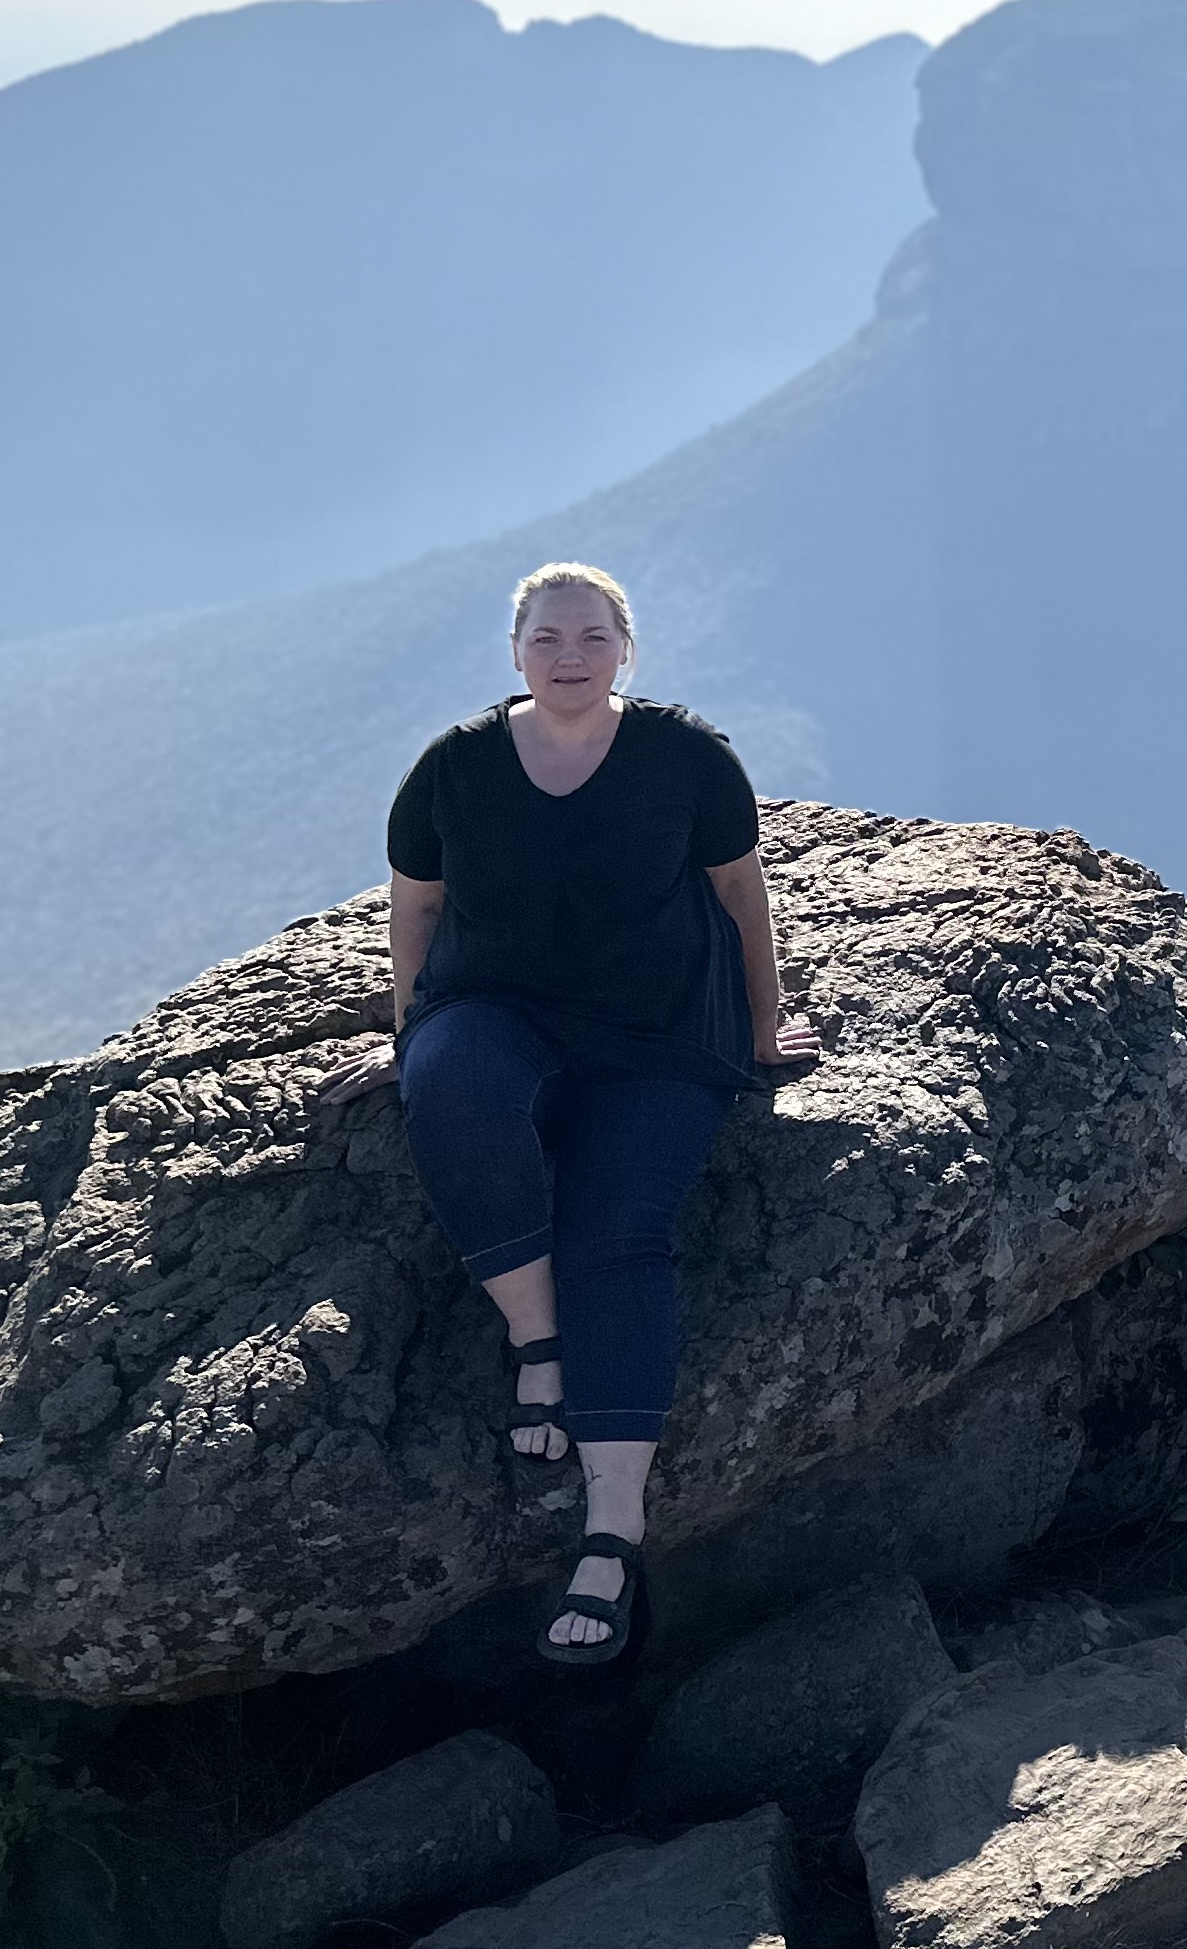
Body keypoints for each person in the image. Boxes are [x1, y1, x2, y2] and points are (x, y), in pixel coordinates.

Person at [363, 561, 819, 1664]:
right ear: (515, 652)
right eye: (548, 638)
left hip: (661, 1031)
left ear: (627, 649)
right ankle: (540, 1339)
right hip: (499, 1006)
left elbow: (741, 895)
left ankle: (612, 1532)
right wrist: (410, 1032)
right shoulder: (457, 767)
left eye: (593, 637)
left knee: (619, 1233)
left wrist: (764, 1027)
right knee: (449, 1085)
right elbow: (415, 909)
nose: (571, 656)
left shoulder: (686, 757)